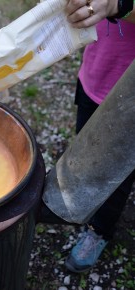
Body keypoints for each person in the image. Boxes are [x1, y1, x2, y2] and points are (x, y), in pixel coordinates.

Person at [58, 0, 135, 273]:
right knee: (88, 148)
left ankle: (100, 230)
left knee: (118, 173)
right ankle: (86, 202)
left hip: (130, 96)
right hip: (96, 72)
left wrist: (117, 5)